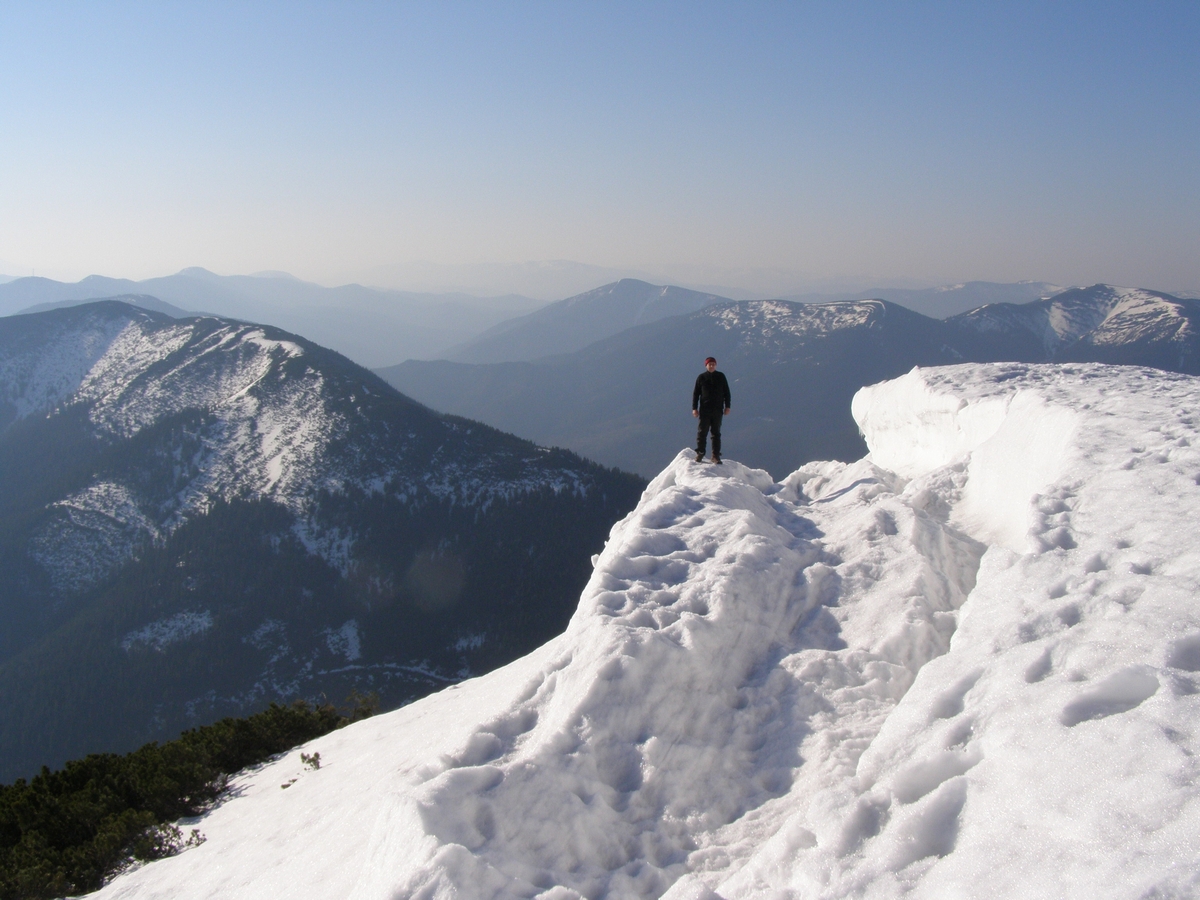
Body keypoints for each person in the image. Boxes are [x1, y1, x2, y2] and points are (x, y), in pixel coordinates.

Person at [692, 356, 731, 463]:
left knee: (716, 433)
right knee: (702, 432)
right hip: (705, 409)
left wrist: (728, 406)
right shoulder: (701, 377)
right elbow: (696, 394)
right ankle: (700, 453)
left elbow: (727, 392)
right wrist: (694, 408)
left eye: (713, 364)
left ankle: (715, 455)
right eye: (710, 364)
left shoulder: (721, 376)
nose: (712, 366)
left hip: (718, 410)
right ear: (706, 365)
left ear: (716, 365)